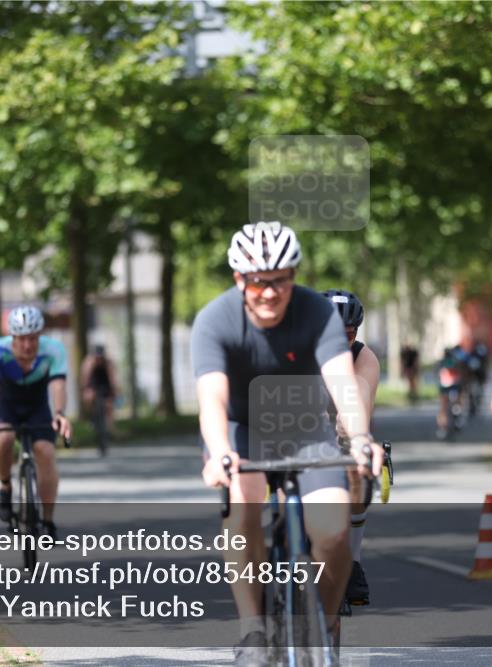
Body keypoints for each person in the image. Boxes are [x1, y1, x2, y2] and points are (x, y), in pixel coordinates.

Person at [191, 222, 383, 666]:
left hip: (305, 429)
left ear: (294, 275)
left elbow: (342, 381)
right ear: (240, 278)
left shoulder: (316, 313)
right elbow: (212, 398)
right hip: (241, 428)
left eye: (280, 280)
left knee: (334, 530)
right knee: (243, 506)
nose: (270, 292)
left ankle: (324, 623)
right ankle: (253, 630)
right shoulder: (215, 321)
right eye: (259, 281)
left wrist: (359, 438)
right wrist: (219, 452)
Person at [0, 306, 72, 539]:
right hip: (7, 406)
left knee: (46, 452)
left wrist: (59, 413)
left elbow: (58, 385)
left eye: (33, 338)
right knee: (3, 437)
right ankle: (5, 486)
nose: (28, 345)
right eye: (21, 339)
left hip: (37, 407)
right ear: (12, 337)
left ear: (40, 335)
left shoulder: (54, 349)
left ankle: (48, 520)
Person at [322, 289, 381, 610]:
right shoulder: (295, 348)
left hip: (341, 435)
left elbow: (358, 406)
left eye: (349, 334)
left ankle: (352, 562)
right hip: (296, 432)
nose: (341, 342)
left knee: (357, 474)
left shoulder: (363, 357)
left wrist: (352, 433)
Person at [80, 344, 118, 455]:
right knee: (88, 397)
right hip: (93, 385)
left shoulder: (108, 363)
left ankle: (109, 429)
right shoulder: (89, 362)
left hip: (105, 385)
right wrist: (85, 389)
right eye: (97, 357)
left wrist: (114, 392)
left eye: (100, 357)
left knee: (109, 406)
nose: (99, 359)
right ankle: (90, 417)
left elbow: (112, 379)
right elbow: (85, 377)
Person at [436, 345, 468, 439]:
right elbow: (461, 373)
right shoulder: (456, 361)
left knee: (443, 408)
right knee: (458, 400)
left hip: (444, 387)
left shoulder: (441, 362)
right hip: (455, 385)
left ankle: (442, 428)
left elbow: (437, 374)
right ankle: (458, 413)